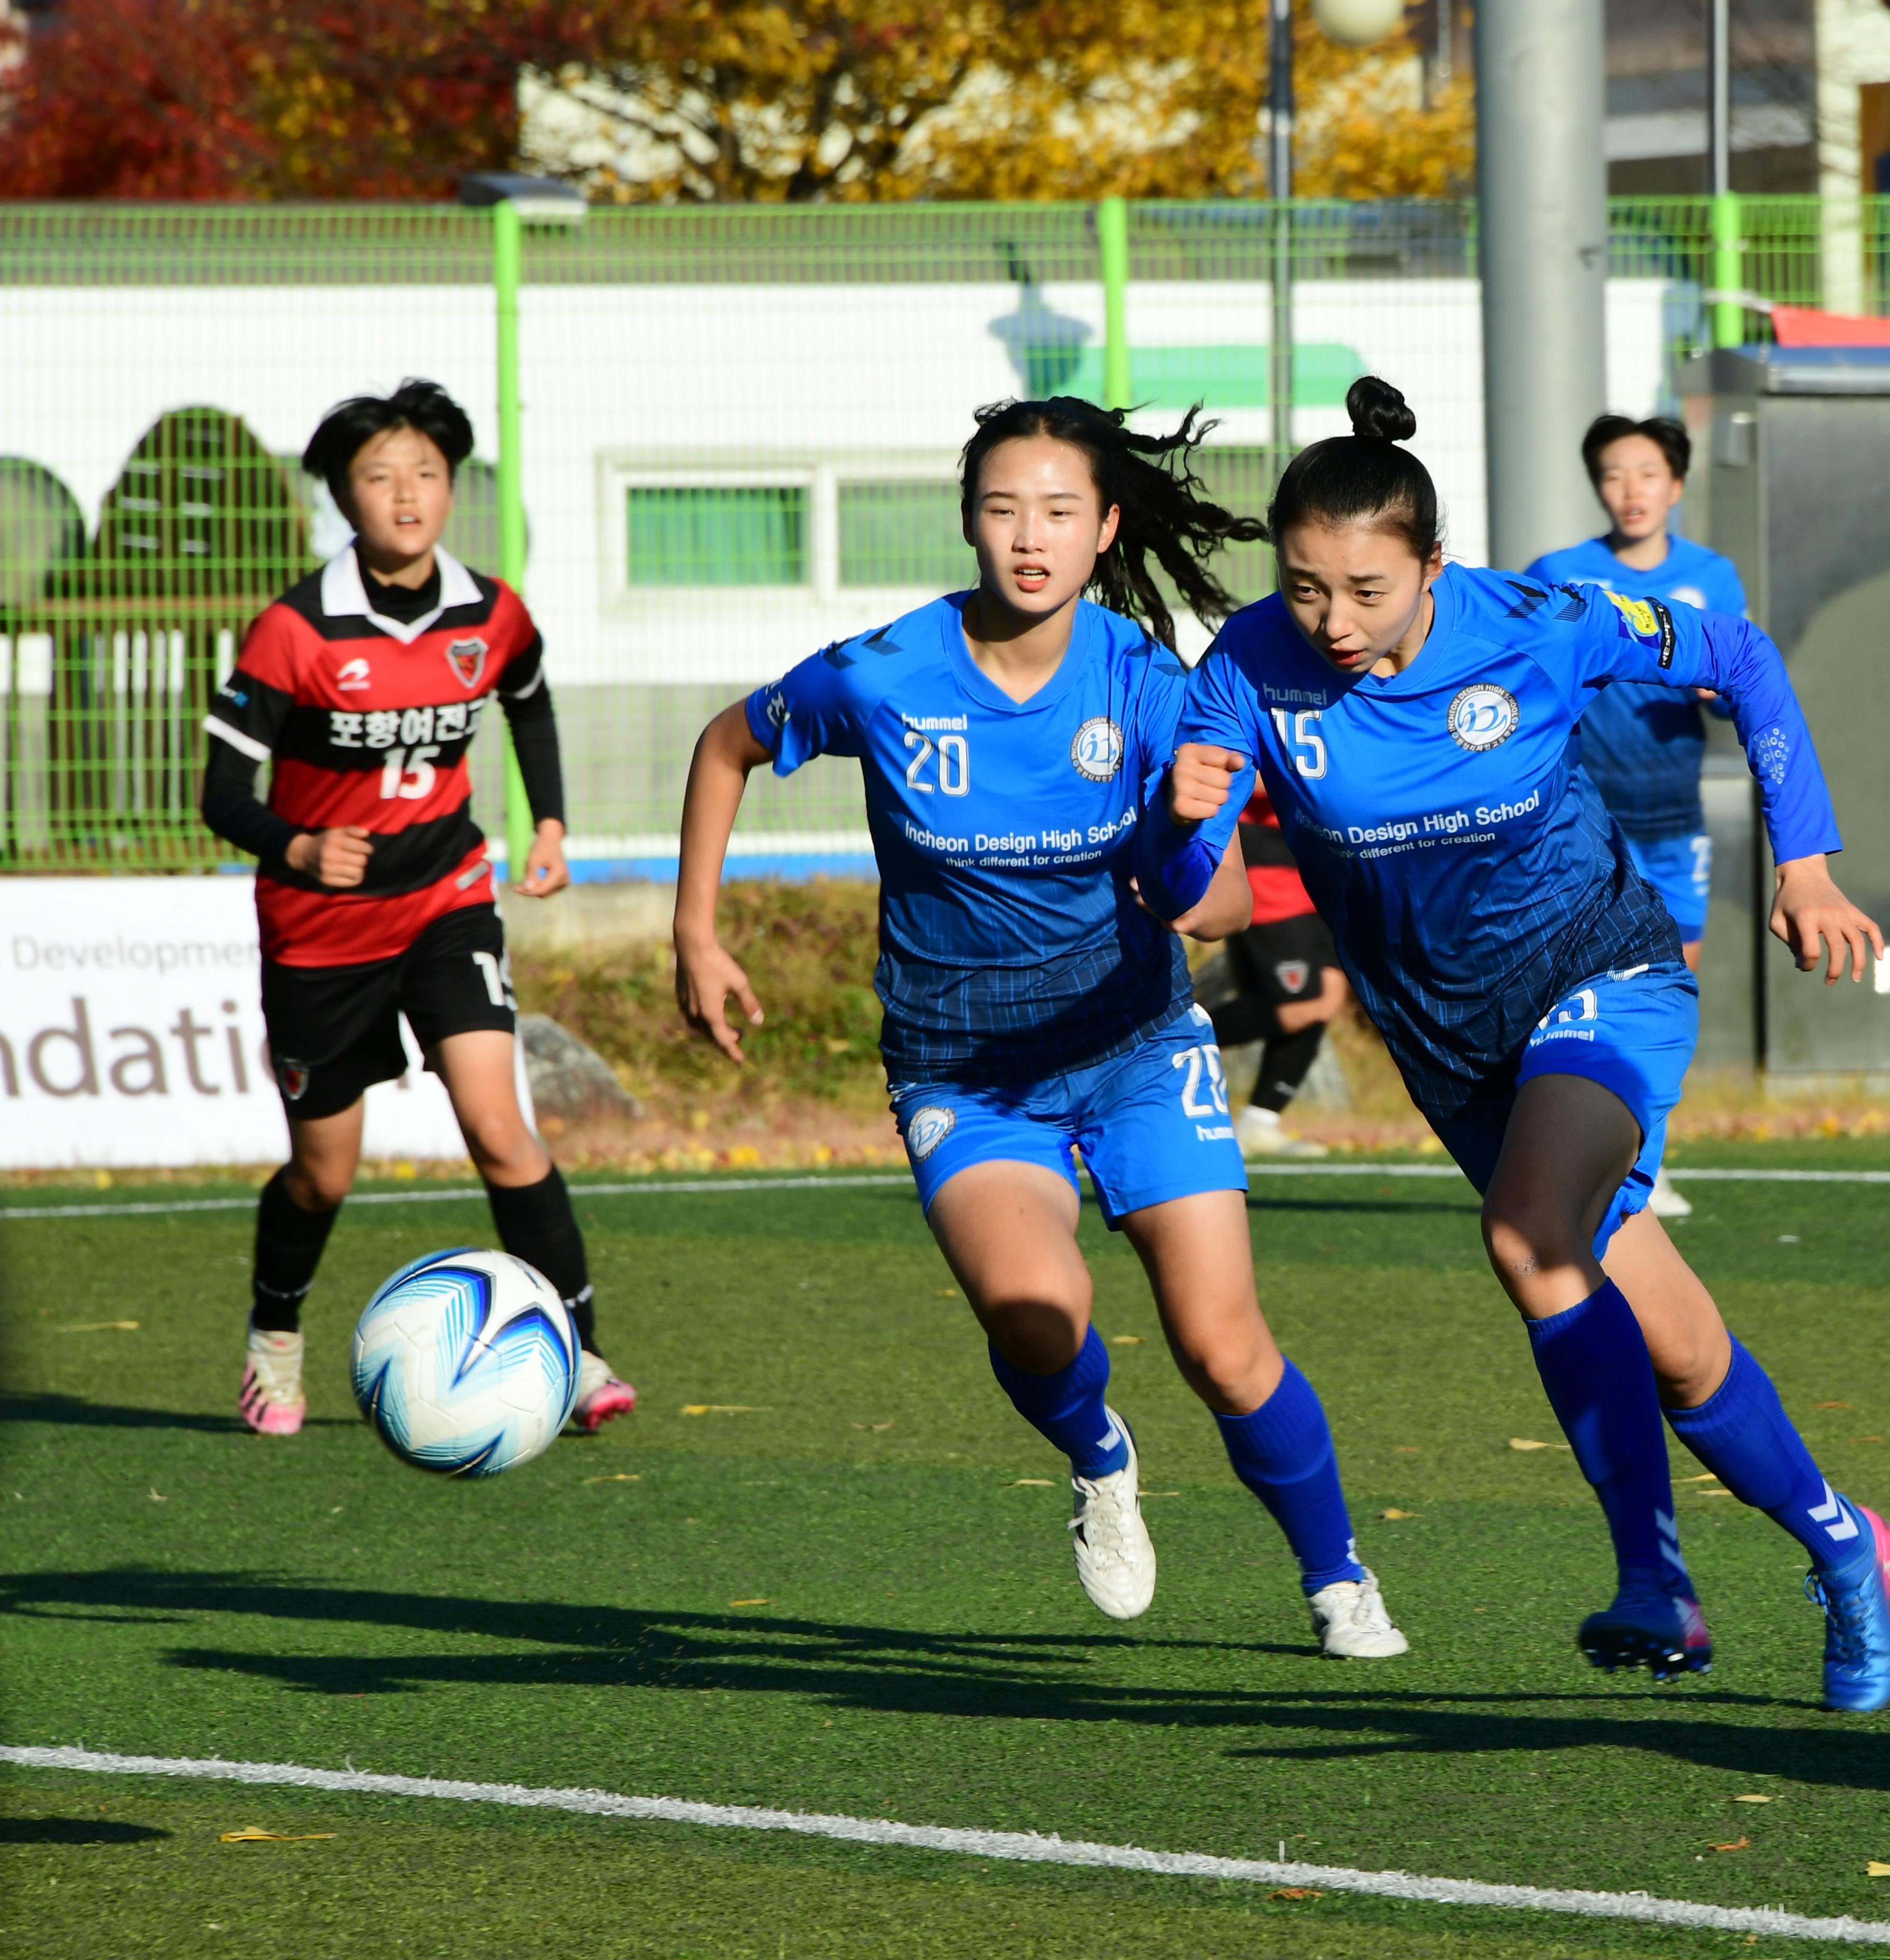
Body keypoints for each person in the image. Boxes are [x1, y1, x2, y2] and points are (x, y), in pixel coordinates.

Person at [1139, 376, 1890, 1711]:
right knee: (1669, 1341)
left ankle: (1653, 1578)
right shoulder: (1245, 670)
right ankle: (1844, 1541)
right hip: (1448, 1036)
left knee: (1528, 1236)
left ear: (1432, 567)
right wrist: (1174, 821)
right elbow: (1196, 897)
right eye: (1307, 588)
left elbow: (1739, 657)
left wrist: (1809, 862)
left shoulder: (1535, 620)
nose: (1333, 621)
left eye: (1368, 590)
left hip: (1603, 967)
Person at [672, 397, 1405, 1659]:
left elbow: (1220, 901)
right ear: (968, 521)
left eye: (1060, 510)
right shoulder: (886, 673)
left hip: (1136, 1049)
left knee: (1224, 1349)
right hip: (967, 1068)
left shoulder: (1146, 681)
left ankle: (1337, 1575)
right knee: (1036, 1313)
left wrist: (1184, 855)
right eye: (1004, 507)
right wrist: (697, 931)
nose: (1030, 535)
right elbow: (726, 745)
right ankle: (1098, 1457)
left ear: (1105, 525)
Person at [201, 380, 634, 1441]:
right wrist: (296, 844)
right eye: (380, 476)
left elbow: (526, 693)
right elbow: (219, 791)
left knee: (501, 1128)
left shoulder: (492, 611)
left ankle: (575, 1352)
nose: (406, 495)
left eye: (427, 474)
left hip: (445, 899)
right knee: (322, 1171)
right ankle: (275, 1332)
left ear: (452, 488)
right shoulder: (293, 633)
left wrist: (550, 824)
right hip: (319, 931)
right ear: (346, 498)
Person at [1524, 413, 1751, 1220]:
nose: (1631, 491)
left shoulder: (1711, 578)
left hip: (1673, 816)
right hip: (1582, 821)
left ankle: (1646, 1166)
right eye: (1615, 474)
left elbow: (1743, 692)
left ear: (1676, 486)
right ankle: (1559, 1156)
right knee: (1578, 987)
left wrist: (1715, 689)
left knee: (1665, 988)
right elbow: (1525, 676)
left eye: (1648, 474)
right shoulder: (1562, 572)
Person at [1195, 785, 1351, 1161]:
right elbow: (1253, 768)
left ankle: (1260, 1121)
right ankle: (1167, 1044)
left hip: (1316, 879)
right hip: (1271, 885)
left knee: (1328, 995)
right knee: (1307, 1004)